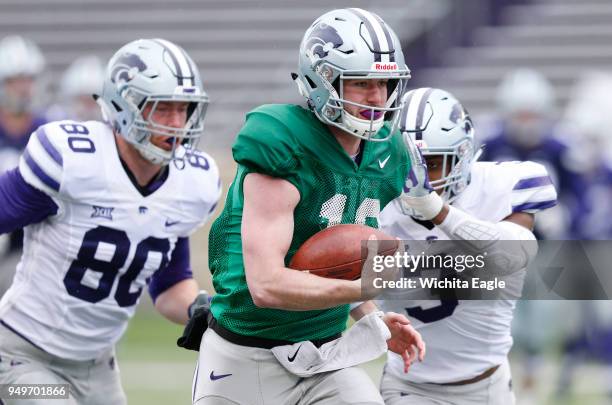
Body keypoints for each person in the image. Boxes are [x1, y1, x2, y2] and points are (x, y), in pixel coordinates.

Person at [195, 8, 423, 405]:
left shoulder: (390, 154)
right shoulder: (282, 142)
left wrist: (372, 319)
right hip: (244, 354)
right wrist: (361, 287)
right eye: (360, 83)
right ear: (323, 80)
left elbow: (338, 255)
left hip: (324, 356)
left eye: (385, 83)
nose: (377, 97)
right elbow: (267, 285)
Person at [0, 38, 220, 405]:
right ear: (123, 106)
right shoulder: (73, 161)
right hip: (20, 357)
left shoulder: (189, 185)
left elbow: (168, 286)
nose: (176, 123)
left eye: (184, 109)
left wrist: (203, 310)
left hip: (98, 367)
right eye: (162, 109)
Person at [376, 88, 557, 404]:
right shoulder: (376, 199)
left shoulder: (500, 185)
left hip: (490, 385)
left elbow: (514, 254)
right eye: (403, 163)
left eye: (430, 164)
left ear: (460, 157)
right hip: (410, 385)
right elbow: (343, 281)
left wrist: (439, 212)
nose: (414, 180)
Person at [0, 35, 48, 260]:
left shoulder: (48, 130)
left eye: (28, 80)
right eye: (15, 81)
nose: (23, 89)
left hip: (33, 241)